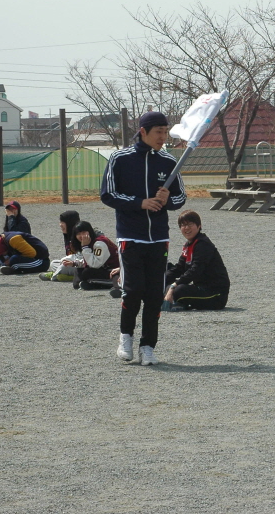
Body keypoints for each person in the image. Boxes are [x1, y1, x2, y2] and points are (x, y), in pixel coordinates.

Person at [100, 110, 187, 367]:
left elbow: (181, 197)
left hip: (158, 238)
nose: (163, 137)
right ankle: (125, 337)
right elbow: (108, 194)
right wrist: (141, 203)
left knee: (153, 294)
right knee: (133, 290)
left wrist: (166, 200)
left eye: (165, 131)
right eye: (158, 132)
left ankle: (148, 346)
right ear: (143, 132)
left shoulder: (169, 161)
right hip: (130, 236)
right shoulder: (120, 158)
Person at [163, 210, 230, 311]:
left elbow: (195, 270)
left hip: (215, 294)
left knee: (178, 290)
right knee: (164, 281)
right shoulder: (188, 244)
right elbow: (179, 268)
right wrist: (161, 280)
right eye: (183, 225)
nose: (186, 228)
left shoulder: (203, 244)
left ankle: (178, 301)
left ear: (199, 226)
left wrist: (173, 286)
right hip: (200, 287)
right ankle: (178, 302)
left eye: (190, 224)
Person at [70, 221, 119, 291]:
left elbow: (95, 264)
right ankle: (89, 284)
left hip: (113, 268)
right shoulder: (87, 242)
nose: (81, 236)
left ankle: (110, 284)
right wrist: (74, 263)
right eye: (78, 234)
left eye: (84, 232)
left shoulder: (99, 243)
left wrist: (85, 247)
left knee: (87, 272)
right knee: (78, 270)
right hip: (102, 267)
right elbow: (88, 261)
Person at [38, 210, 81, 282]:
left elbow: (81, 257)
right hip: (72, 264)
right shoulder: (68, 236)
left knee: (64, 267)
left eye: (63, 222)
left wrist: (69, 262)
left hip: (81, 265)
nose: (60, 225)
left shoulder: (79, 236)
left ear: (70, 223)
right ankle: (64, 275)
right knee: (54, 263)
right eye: (60, 222)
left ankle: (54, 276)